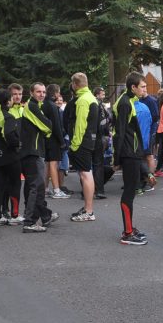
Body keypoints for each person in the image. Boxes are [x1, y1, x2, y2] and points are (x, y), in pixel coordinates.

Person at [113, 72, 153, 245]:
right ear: (133, 87)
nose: (144, 90)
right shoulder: (124, 103)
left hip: (134, 153)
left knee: (132, 191)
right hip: (129, 154)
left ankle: (129, 228)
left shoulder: (130, 100)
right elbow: (119, 133)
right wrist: (117, 159)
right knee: (129, 193)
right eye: (142, 86)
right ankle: (127, 234)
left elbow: (133, 131)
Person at [19, 82, 55, 232]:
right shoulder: (32, 106)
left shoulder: (34, 106)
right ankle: (30, 222)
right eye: (38, 92)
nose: (42, 94)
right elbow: (48, 126)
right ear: (31, 92)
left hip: (32, 151)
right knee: (37, 186)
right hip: (32, 152)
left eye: (44, 92)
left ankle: (46, 215)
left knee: (36, 186)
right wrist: (47, 128)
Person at [65, 74, 99, 222]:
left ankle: (89, 210)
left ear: (75, 84)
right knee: (87, 173)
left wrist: (74, 145)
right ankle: (87, 208)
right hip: (89, 141)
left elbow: (80, 125)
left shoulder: (82, 100)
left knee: (85, 175)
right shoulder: (91, 97)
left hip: (82, 143)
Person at [0, 89, 22, 227]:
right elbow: (9, 135)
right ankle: (14, 215)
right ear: (8, 101)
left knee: (0, 186)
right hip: (10, 156)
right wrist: (17, 143)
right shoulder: (8, 116)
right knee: (15, 185)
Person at [42, 84, 69, 199]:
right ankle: (57, 190)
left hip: (46, 138)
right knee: (54, 163)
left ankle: (45, 188)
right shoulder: (52, 106)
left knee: (48, 164)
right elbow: (56, 125)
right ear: (56, 93)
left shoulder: (44, 104)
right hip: (53, 139)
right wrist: (62, 141)